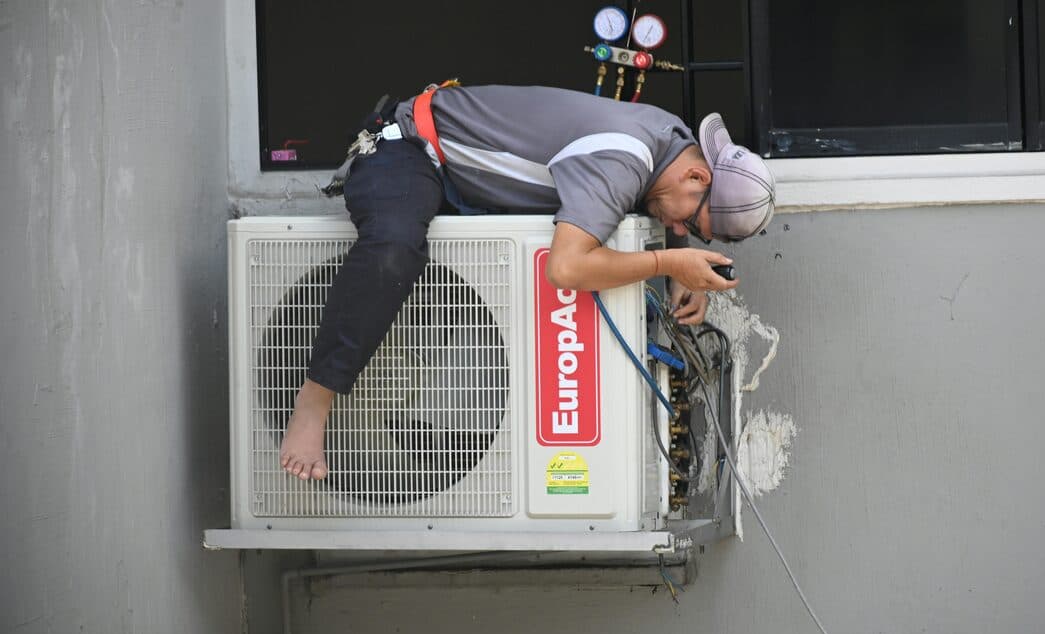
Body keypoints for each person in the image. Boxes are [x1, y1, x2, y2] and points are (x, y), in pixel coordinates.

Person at [280, 83, 776, 480]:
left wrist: (680, 259)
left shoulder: (671, 139)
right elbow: (566, 269)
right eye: (690, 223)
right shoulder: (625, 157)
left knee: (451, 305)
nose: (677, 230)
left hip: (462, 186)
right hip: (408, 147)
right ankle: (314, 401)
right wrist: (669, 264)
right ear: (698, 177)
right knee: (392, 249)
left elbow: (659, 207)